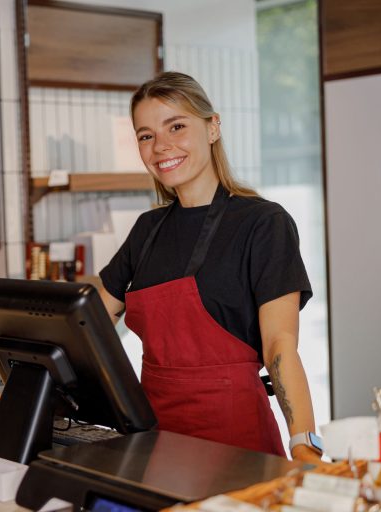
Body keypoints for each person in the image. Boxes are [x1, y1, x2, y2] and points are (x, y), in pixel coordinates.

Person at [98, 71, 321, 463]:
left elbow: (279, 345)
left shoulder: (263, 223)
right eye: (146, 135)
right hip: (154, 441)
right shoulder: (148, 230)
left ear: (213, 127)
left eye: (177, 126)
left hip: (236, 444)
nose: (161, 146)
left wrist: (304, 442)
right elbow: (88, 323)